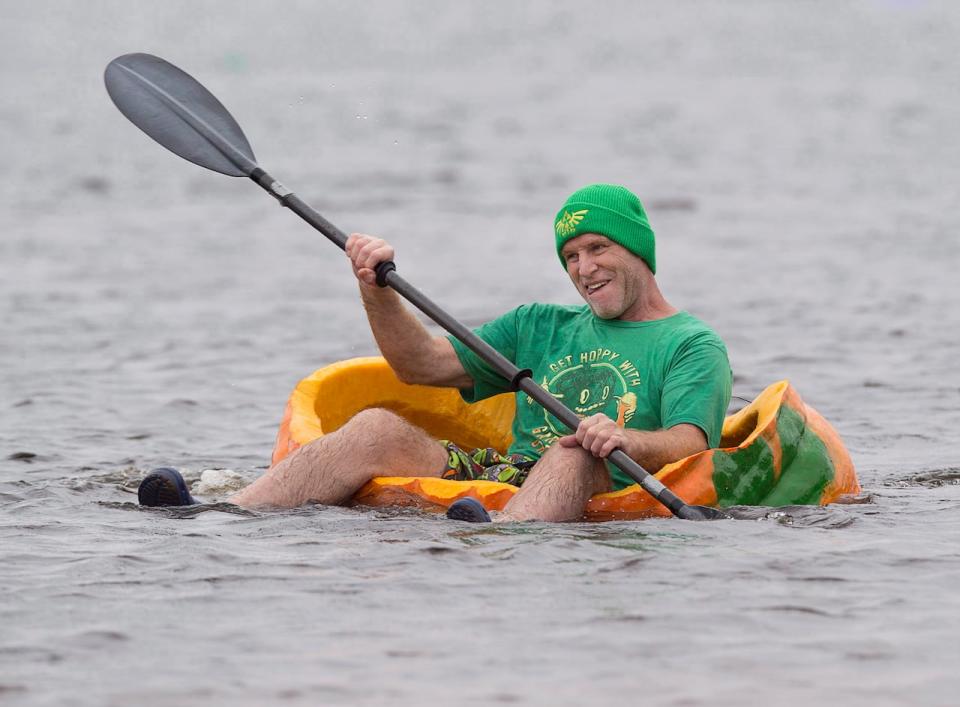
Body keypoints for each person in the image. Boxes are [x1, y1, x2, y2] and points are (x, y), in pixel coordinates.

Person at [138, 184, 732, 522]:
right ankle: (218, 517)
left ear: (639, 250)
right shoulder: (538, 324)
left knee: (575, 452)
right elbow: (419, 365)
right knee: (374, 426)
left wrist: (624, 439)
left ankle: (500, 546)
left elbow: (690, 442)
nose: (584, 269)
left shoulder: (691, 344)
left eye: (598, 248)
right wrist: (374, 288)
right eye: (571, 257)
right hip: (508, 477)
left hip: (607, 480)